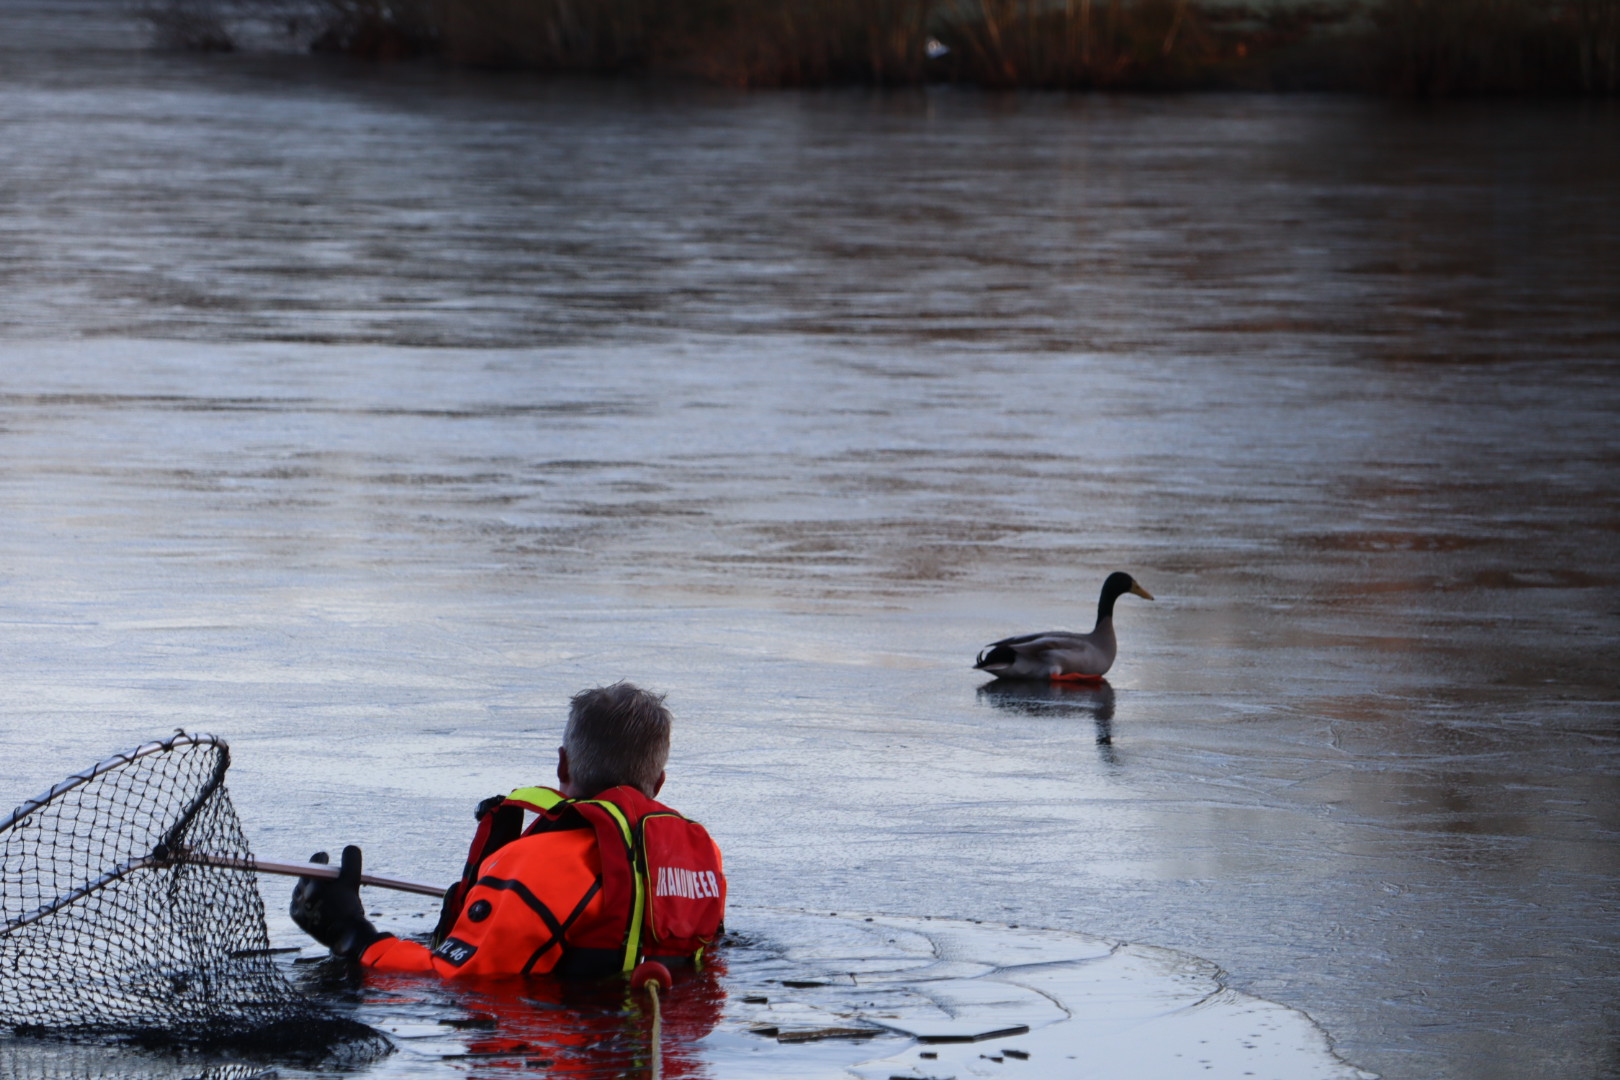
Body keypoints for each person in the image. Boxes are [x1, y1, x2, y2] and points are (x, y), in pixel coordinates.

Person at [290, 682, 726, 979]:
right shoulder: (701, 855)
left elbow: (452, 979)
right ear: (658, 784)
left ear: (563, 764)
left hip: (561, 1051)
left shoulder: (532, 864)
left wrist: (351, 933)